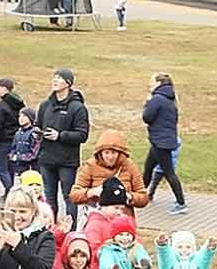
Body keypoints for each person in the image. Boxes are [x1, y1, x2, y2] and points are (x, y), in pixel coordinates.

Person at [35, 67, 90, 223]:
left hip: (67, 161)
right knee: (49, 196)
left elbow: (82, 134)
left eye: (59, 78)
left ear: (68, 83)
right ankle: (50, 228)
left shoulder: (77, 108)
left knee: (69, 197)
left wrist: (60, 136)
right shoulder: (45, 105)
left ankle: (70, 230)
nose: (55, 81)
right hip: (46, 158)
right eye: (54, 77)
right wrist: (37, 132)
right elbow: (37, 124)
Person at [69, 129, 149, 218]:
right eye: (106, 153)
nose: (110, 157)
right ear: (100, 153)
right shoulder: (91, 166)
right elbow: (74, 195)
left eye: (114, 153)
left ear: (120, 153)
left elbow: (144, 198)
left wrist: (128, 196)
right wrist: (92, 192)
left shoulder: (129, 166)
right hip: (98, 220)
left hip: (123, 220)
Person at [142, 73, 186, 214]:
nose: (150, 84)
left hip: (161, 142)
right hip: (162, 140)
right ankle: (140, 196)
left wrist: (148, 103)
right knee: (148, 168)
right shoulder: (170, 98)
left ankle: (181, 203)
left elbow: (147, 117)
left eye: (152, 82)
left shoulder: (157, 99)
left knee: (169, 173)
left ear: (159, 83)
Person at [0, 78, 25, 200]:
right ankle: (8, 192)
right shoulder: (19, 103)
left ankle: (11, 193)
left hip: (5, 141)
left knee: (1, 168)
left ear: (4, 89)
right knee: (11, 167)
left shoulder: (1, 107)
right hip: (17, 139)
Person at [9, 108, 42, 180]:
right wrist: (12, 155)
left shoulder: (35, 133)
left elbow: (34, 153)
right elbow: (14, 147)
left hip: (32, 168)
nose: (21, 118)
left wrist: (19, 157)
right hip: (20, 167)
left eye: (24, 116)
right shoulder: (18, 133)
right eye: (20, 116)